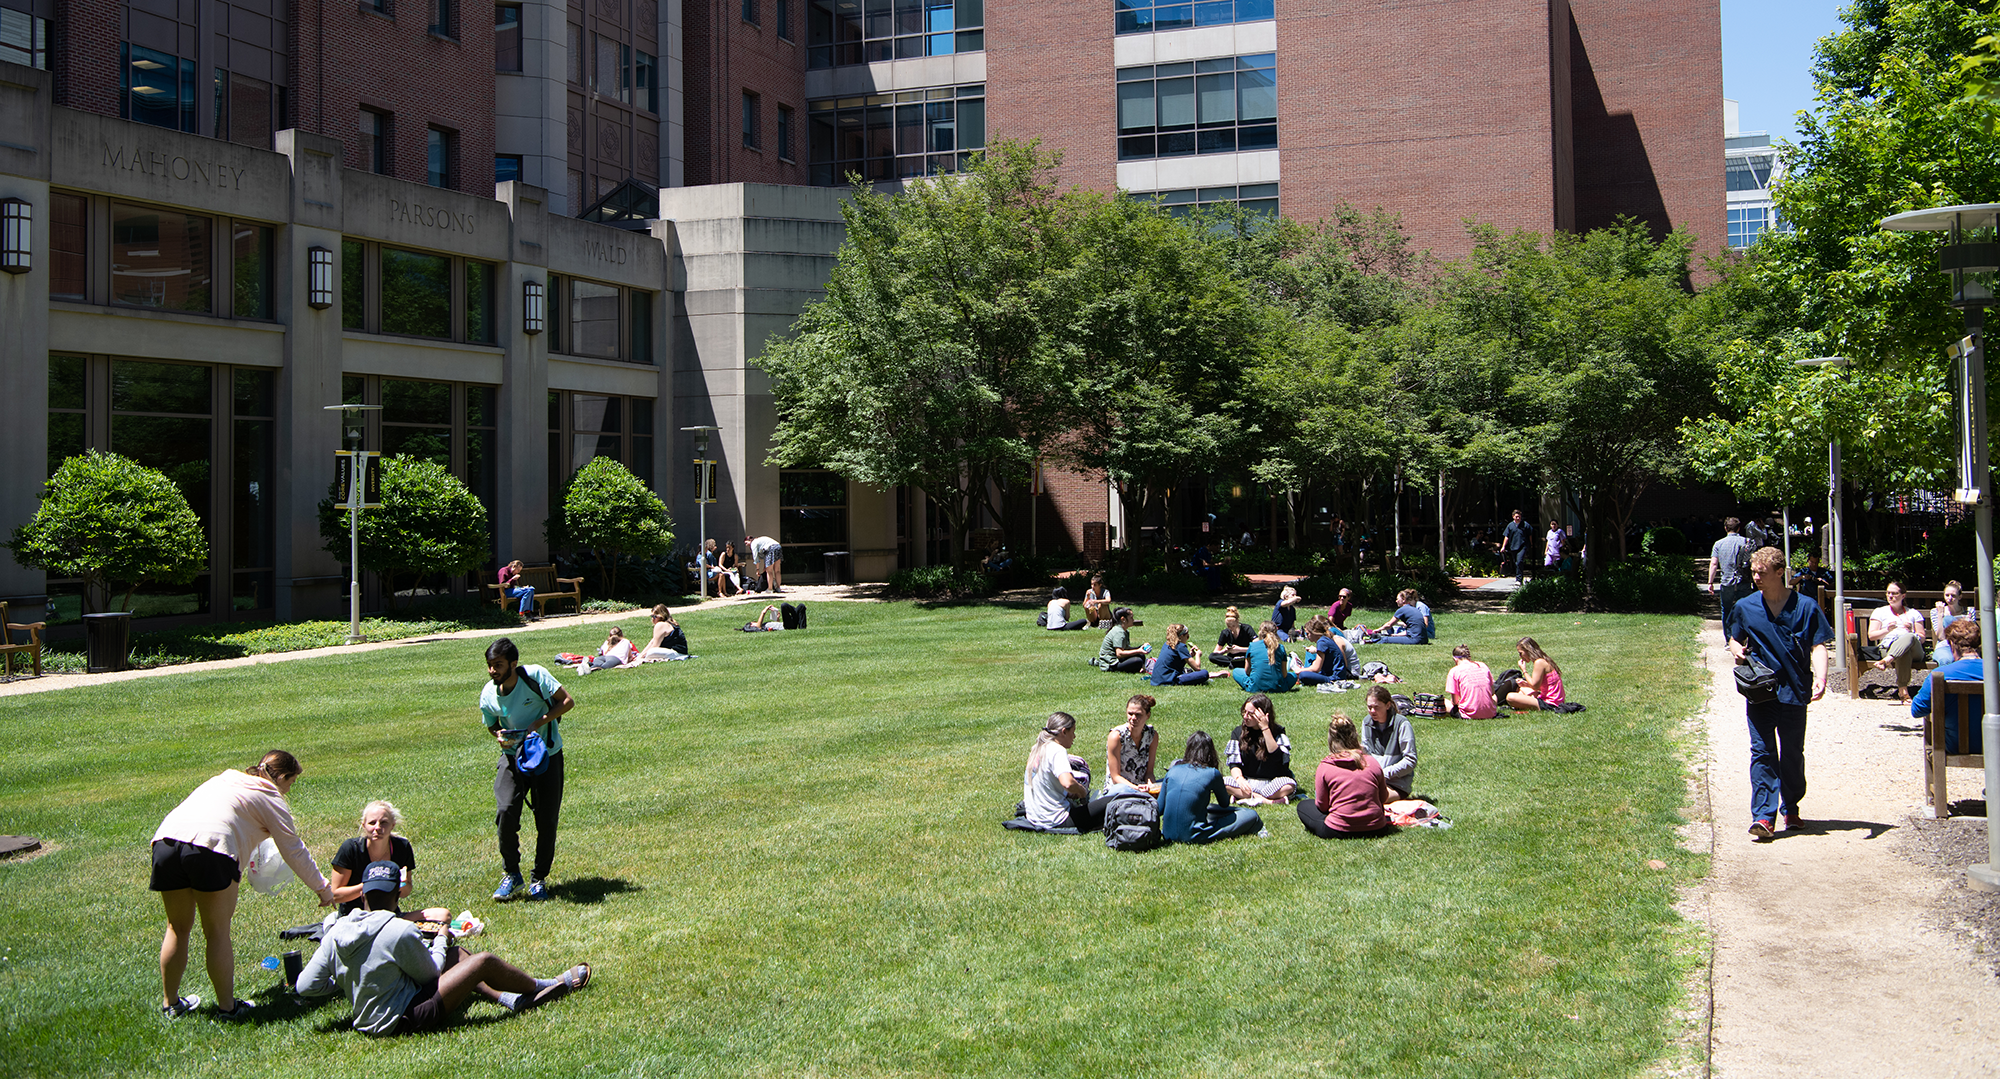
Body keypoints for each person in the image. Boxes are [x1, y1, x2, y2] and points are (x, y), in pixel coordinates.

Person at [297, 860, 591, 1035]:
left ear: (363, 895)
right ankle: (539, 987)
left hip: (368, 1019)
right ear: (397, 893)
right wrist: (441, 939)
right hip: (405, 1018)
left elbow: (306, 985)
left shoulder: (336, 931)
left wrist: (350, 977)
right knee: (482, 961)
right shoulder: (398, 929)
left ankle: (507, 999)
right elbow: (430, 975)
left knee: (457, 957)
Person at [150, 750, 337, 1019]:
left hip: (165, 843)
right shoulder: (270, 796)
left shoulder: (226, 778)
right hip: (212, 849)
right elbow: (293, 849)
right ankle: (228, 1008)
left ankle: (171, 1005)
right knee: (216, 931)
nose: (288, 790)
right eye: (291, 783)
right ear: (282, 777)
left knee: (177, 927)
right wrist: (322, 888)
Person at [1728, 546, 1833, 839]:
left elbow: (1818, 645)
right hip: (1760, 691)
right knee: (1762, 752)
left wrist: (1821, 678)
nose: (1756, 577)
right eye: (1753, 572)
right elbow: (1734, 638)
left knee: (1791, 754)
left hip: (1795, 690)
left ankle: (1791, 807)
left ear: (1779, 573)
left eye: (1762, 572)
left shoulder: (1806, 606)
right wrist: (1737, 651)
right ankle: (1763, 816)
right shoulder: (1745, 606)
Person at [479, 638, 576, 902]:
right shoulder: (488, 693)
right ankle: (512, 874)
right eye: (489, 665)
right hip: (512, 758)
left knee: (547, 820)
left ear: (513, 663)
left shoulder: (534, 676)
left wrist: (538, 723)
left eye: (498, 665)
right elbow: (491, 724)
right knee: (505, 812)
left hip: (547, 756)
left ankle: (538, 880)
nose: (492, 671)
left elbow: (567, 702)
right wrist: (499, 735)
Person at [1298, 714, 1393, 838]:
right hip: (1377, 828)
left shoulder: (1326, 766)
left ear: (1331, 740)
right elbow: (1383, 797)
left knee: (1303, 806)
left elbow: (1322, 805)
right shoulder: (1372, 762)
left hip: (1338, 830)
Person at [1159, 732, 1264, 842]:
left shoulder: (1172, 771)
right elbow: (1224, 803)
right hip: (1195, 835)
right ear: (1210, 752)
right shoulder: (1212, 773)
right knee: (1251, 815)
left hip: (1167, 835)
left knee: (1208, 808)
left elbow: (1160, 809)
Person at [1021, 713, 1115, 832]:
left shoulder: (1037, 748)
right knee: (1113, 800)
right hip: (1056, 820)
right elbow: (1068, 783)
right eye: (1073, 732)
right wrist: (1082, 792)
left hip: (1034, 817)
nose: (1074, 736)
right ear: (1064, 732)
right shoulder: (1057, 750)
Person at [1911, 617, 1988, 755]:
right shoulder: (1996, 670)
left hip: (1953, 745)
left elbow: (1917, 710)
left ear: (1951, 645)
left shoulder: (1941, 674)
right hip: (1994, 744)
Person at [328, 800, 416, 916]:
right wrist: (371, 885)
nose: (377, 827)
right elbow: (335, 895)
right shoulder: (351, 849)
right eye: (372, 823)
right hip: (353, 917)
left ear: (392, 825)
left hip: (389, 915)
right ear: (363, 825)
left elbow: (406, 891)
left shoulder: (402, 847)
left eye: (384, 822)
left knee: (443, 915)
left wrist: (402, 885)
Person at [1224, 694, 1297, 804]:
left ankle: (1244, 796)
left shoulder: (1277, 732)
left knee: (1289, 785)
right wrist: (1240, 779)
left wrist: (1265, 728)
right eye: (1244, 712)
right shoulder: (1238, 732)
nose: (1245, 716)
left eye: (1251, 714)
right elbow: (1234, 764)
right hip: (1247, 781)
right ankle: (1267, 801)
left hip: (1272, 782)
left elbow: (1278, 759)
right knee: (1222, 782)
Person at [1867, 581, 1929, 703]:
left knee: (1909, 637)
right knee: (1904, 652)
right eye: (1888, 593)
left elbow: (1922, 638)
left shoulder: (1913, 613)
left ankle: (1888, 660)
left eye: (1894, 593)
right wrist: (1887, 630)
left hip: (1915, 649)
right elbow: (1871, 636)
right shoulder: (1880, 612)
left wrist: (1912, 631)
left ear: (1903, 595)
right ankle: (1903, 692)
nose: (1890, 596)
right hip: (1889, 647)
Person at [1359, 685, 1417, 799]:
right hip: (1374, 780)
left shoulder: (1402, 724)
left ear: (1388, 705)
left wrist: (1384, 774)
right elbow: (1366, 755)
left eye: (1376, 707)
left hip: (1397, 784)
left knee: (1370, 799)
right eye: (1369, 707)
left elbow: (1411, 761)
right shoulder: (1366, 722)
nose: (1372, 711)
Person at [1104, 694, 1163, 792]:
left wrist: (1151, 786)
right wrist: (1136, 788)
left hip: (1141, 786)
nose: (1133, 718)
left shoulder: (1152, 736)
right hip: (1120, 789)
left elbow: (1149, 772)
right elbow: (1115, 777)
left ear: (1148, 715)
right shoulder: (1116, 736)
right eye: (1130, 714)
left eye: (1138, 714)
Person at [1708, 517, 1753, 636]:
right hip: (1744, 580)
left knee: (1726, 609)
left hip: (1727, 581)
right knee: (1745, 609)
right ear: (1739, 528)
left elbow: (1713, 564)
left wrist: (1710, 582)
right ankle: (1743, 638)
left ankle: (1729, 639)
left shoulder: (1718, 544)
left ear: (1725, 528)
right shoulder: (1747, 542)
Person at [1231, 621, 1298, 693]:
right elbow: (1284, 674)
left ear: (1260, 632)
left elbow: (1247, 672)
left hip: (1254, 687)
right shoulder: (1280, 648)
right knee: (1293, 676)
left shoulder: (1253, 646)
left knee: (1236, 671)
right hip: (1278, 687)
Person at [1503, 636, 1565, 711]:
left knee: (1510, 697)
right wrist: (1526, 684)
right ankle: (1521, 705)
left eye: (1521, 653)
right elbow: (1544, 686)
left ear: (1528, 650)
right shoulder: (1543, 660)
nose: (1520, 656)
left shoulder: (1539, 662)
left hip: (1550, 704)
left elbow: (1535, 686)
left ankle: (1522, 706)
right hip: (1553, 699)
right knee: (1522, 689)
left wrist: (1524, 670)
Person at [1293, 615, 1355, 687]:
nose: (1306, 636)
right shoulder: (1324, 639)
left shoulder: (1322, 642)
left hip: (1334, 677)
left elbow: (1316, 668)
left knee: (1303, 675)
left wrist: (1300, 670)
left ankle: (1329, 682)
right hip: (1332, 674)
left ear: (1314, 631)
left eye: (1308, 633)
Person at [1443, 644, 1498, 719]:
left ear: (1455, 659)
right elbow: (1492, 692)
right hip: (1490, 713)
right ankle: (1486, 710)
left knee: (1443, 701)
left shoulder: (1454, 671)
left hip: (1469, 714)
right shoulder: (1483, 665)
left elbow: (1454, 702)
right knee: (1494, 697)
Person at [1148, 624, 1215, 686]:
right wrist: (1198, 654)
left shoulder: (1167, 644)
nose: (1187, 638)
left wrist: (1189, 656)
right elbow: (1197, 668)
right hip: (1168, 680)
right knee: (1204, 673)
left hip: (1156, 680)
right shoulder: (1180, 646)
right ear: (1182, 636)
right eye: (1187, 636)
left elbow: (1175, 661)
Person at [1090, 608, 1150, 674]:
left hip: (1117, 659)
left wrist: (1141, 647)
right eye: (1131, 618)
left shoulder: (1124, 631)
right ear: (1123, 619)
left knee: (1141, 655)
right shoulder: (1119, 632)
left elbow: (1126, 649)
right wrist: (1138, 650)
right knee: (1137, 661)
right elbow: (1119, 654)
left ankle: (1141, 669)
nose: (1133, 620)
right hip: (1110, 664)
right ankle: (1139, 668)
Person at [1933, 580, 1968, 665]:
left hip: (1964, 646)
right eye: (1947, 595)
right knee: (1946, 660)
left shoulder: (1968, 612)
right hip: (1945, 645)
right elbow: (1941, 636)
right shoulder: (1936, 611)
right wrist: (1940, 614)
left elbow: (1969, 635)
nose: (1950, 598)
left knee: (1966, 660)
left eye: (1953, 596)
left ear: (1960, 597)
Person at [1500, 509, 1533, 583]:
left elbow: (1530, 534)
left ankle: (1519, 579)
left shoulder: (1525, 525)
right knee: (1516, 562)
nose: (1518, 518)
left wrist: (1531, 544)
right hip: (1514, 546)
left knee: (1519, 561)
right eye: (1517, 516)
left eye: (1519, 516)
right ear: (1513, 517)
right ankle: (1519, 575)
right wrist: (1503, 546)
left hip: (1523, 546)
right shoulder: (1510, 525)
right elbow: (1506, 536)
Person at [741, 602, 807, 631]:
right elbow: (759, 624)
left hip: (788, 624)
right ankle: (796, 610)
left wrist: (777, 618)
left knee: (801, 606)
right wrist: (766, 609)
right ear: (751, 625)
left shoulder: (764, 625)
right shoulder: (759, 627)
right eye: (753, 622)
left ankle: (802, 628)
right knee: (783, 605)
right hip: (787, 627)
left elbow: (777, 625)